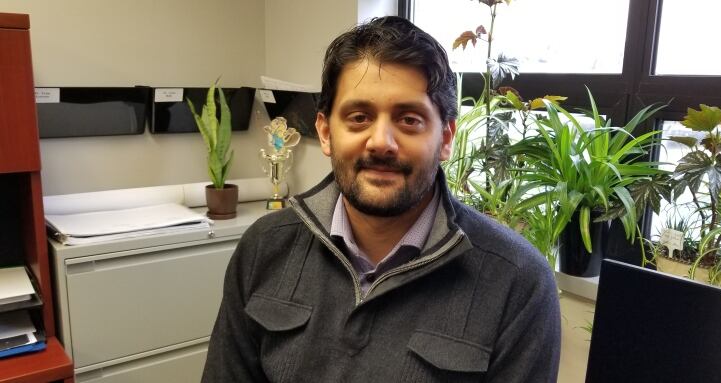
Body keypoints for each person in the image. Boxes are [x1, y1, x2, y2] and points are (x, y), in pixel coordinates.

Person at [202, 16, 560, 382]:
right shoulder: (265, 248)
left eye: (409, 119)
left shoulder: (518, 283)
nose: (381, 142)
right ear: (325, 132)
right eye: (359, 117)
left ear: (446, 138)